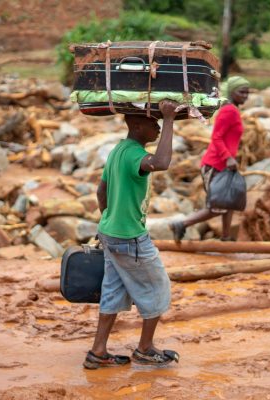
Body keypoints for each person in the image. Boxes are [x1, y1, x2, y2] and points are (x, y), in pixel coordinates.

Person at [85, 100, 180, 369]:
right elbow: (162, 162)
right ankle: (145, 349)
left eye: (160, 122)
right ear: (137, 125)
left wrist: (107, 219)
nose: (158, 126)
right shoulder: (132, 155)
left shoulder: (118, 150)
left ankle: (98, 351)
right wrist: (170, 117)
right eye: (154, 122)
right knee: (158, 286)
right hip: (129, 237)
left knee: (113, 290)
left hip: (110, 233)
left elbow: (100, 192)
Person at [169, 76, 250, 242]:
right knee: (217, 206)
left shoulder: (232, 109)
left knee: (229, 201)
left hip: (225, 166)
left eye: (247, 92)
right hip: (215, 165)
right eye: (241, 92)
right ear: (231, 92)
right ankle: (182, 224)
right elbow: (216, 137)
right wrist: (228, 158)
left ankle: (226, 237)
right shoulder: (229, 110)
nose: (245, 95)